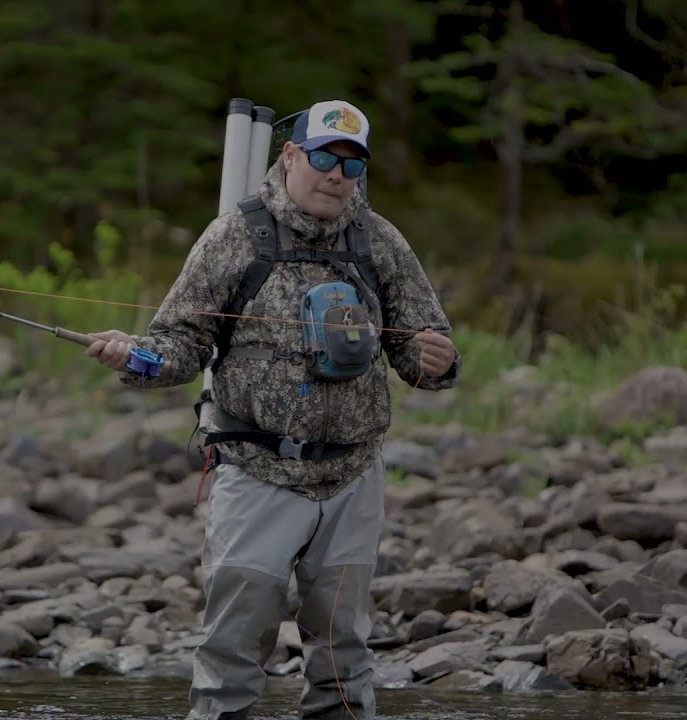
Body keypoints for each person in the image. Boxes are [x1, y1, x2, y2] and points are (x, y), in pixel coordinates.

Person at [86, 99, 459, 720]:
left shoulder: (381, 241)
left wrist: (436, 359)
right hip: (256, 472)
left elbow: (419, 349)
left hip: (352, 477)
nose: (336, 175)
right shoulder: (236, 235)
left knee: (344, 657)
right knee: (232, 652)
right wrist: (132, 357)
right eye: (322, 157)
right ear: (290, 155)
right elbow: (178, 346)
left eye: (351, 164)